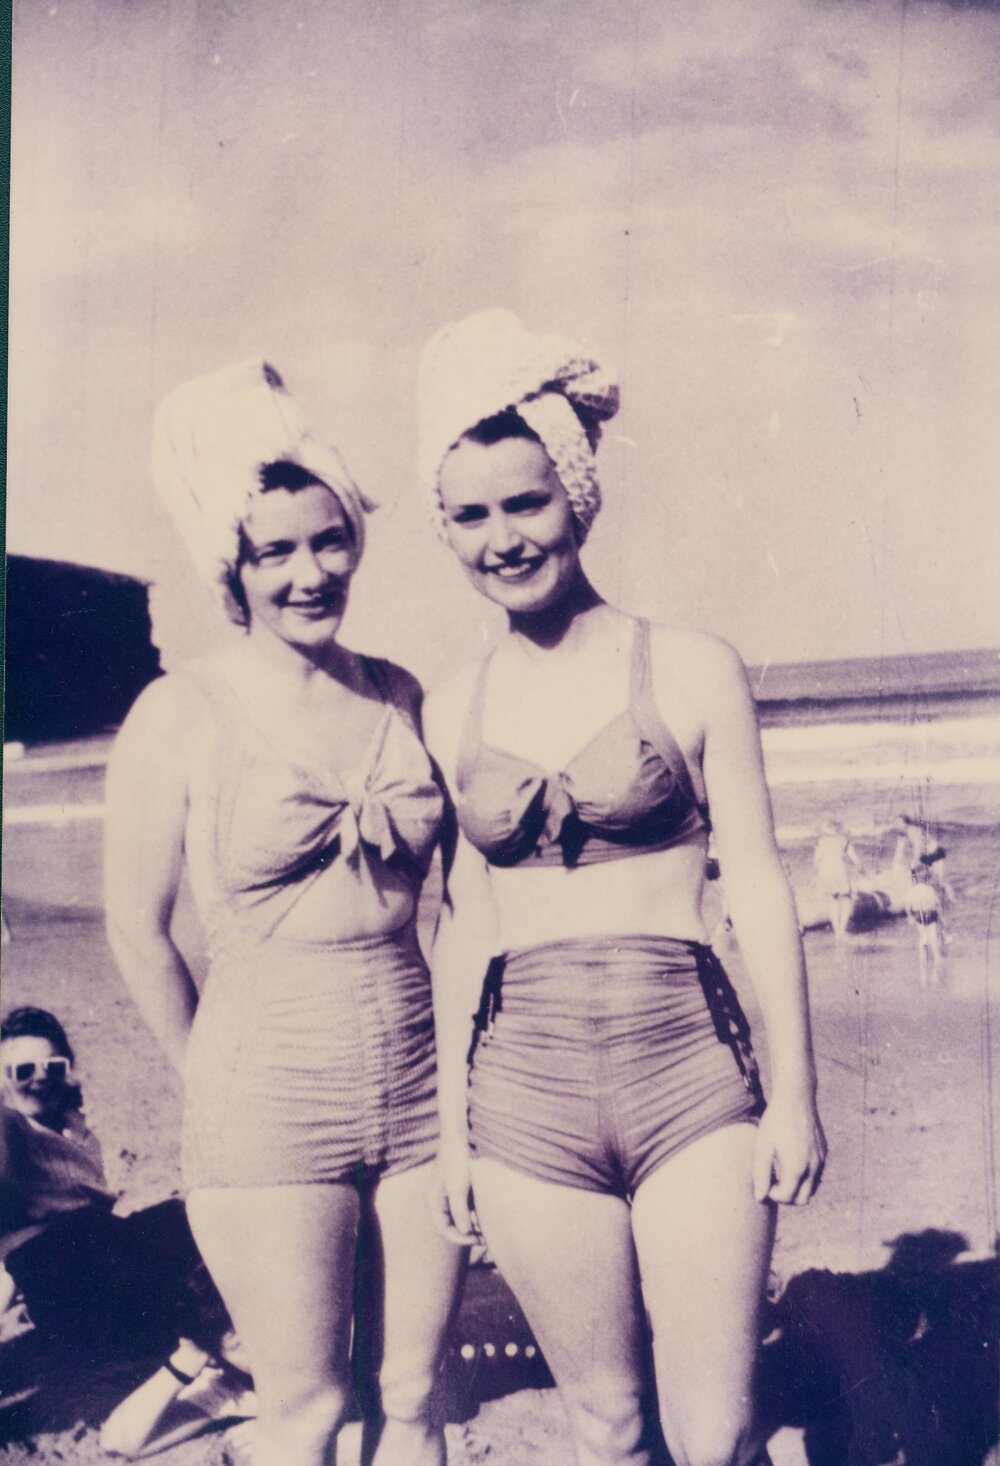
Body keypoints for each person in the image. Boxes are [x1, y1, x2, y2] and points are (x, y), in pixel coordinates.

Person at [416, 309, 826, 1466]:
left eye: (526, 502)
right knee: (603, 1422)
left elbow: (753, 882)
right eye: (472, 514)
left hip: (688, 1070)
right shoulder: (451, 708)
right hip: (523, 1094)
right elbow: (465, 927)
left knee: (718, 1429)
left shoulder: (690, 666)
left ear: (577, 495)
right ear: (444, 529)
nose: (504, 537)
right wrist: (452, 1132)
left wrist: (792, 1093)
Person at [104, 359, 463, 1466]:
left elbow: (450, 906)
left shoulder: (402, 692)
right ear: (235, 567)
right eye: (276, 552)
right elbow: (138, 926)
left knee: (416, 1395)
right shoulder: (181, 710)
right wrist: (203, 1066)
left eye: (329, 541)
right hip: (264, 1099)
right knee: (302, 1407)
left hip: (420, 1088)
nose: (311, 572)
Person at [1, 1006, 202, 1375]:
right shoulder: (8, 1129)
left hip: (99, 1261)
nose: (40, 1079)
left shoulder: (72, 1126)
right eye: (23, 1071)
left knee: (191, 1215)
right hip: (65, 1273)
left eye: (53, 1067)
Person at [812, 820, 863, 940]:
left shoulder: (821, 840)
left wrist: (814, 875)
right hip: (839, 871)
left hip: (825, 872)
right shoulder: (844, 840)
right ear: (837, 829)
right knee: (846, 899)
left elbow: (816, 861)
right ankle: (842, 930)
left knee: (832, 901)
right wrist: (861, 869)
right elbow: (854, 858)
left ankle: (836, 930)